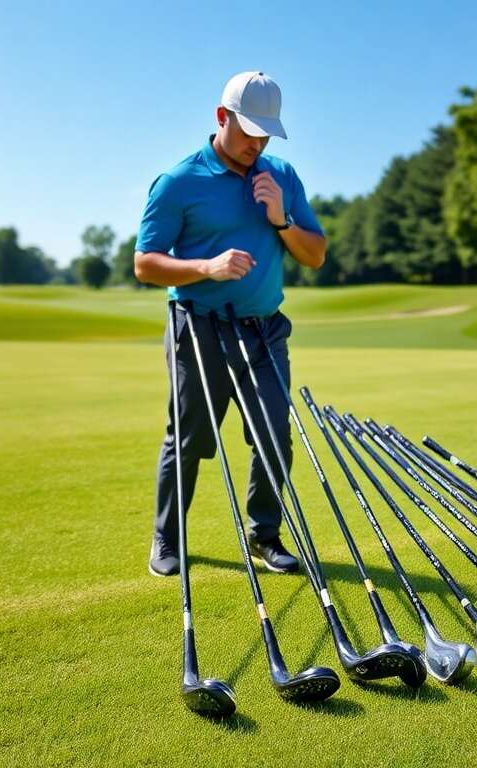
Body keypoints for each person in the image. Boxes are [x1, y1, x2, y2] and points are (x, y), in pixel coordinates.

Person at [135, 71, 327, 577]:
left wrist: (281, 219)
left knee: (273, 435)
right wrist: (207, 267)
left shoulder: (282, 175)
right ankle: (167, 537)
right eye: (248, 133)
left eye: (265, 135)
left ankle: (264, 537)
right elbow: (146, 264)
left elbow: (316, 255)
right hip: (198, 329)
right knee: (191, 438)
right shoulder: (177, 182)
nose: (256, 145)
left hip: (264, 329)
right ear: (222, 118)